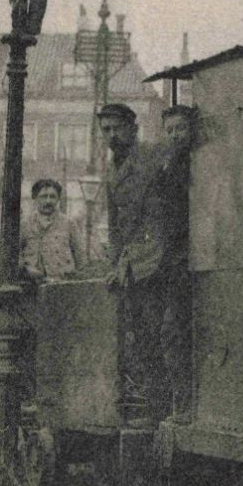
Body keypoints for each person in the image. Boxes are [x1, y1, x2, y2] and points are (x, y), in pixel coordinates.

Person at [96, 102, 165, 425]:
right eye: (106, 130)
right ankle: (151, 407)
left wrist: (134, 259)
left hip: (157, 263)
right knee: (141, 338)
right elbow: (115, 225)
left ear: (133, 128)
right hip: (132, 267)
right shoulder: (113, 170)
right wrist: (115, 263)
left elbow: (161, 218)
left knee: (160, 334)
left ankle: (162, 408)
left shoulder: (152, 157)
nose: (111, 135)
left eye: (117, 128)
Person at [153, 104, 197, 421]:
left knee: (175, 331)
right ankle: (180, 401)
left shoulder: (196, 165)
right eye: (169, 130)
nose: (174, 135)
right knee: (172, 331)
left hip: (188, 258)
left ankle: (185, 404)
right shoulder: (166, 165)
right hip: (173, 260)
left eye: (180, 128)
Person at [20, 178, 87, 281]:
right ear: (35, 198)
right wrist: (26, 269)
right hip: (33, 286)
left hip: (62, 286)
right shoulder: (25, 225)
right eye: (43, 197)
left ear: (58, 199)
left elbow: (81, 257)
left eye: (52, 197)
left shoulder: (69, 224)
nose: (48, 201)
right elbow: (14, 255)